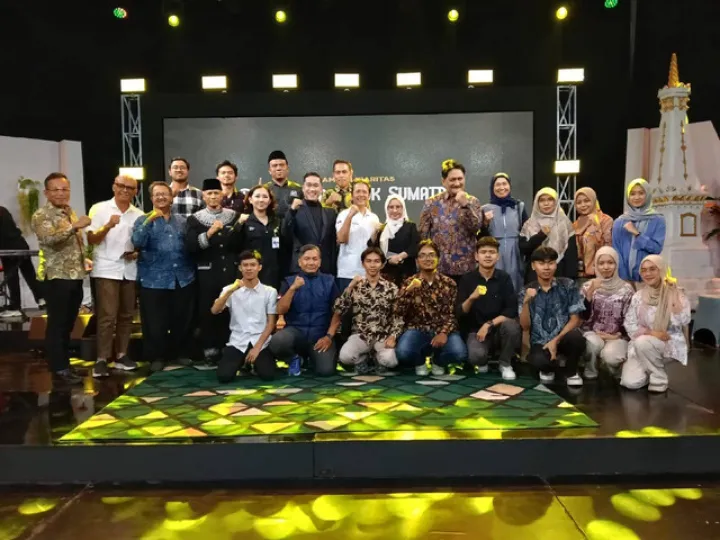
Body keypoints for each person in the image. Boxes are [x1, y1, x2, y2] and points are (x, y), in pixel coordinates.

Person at [31, 172, 92, 384]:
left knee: (68, 323)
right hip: (57, 277)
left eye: (65, 189)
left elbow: (75, 242)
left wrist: (85, 259)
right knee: (57, 324)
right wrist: (75, 226)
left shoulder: (68, 212)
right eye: (55, 189)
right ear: (46, 193)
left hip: (74, 275)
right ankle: (58, 368)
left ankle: (64, 364)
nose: (61, 193)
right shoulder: (42, 215)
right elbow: (49, 240)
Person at [132, 182, 196, 372]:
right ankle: (156, 356)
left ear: (171, 197)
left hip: (182, 277)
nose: (161, 197)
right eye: (157, 195)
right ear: (151, 198)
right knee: (154, 322)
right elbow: (137, 241)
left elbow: (191, 245)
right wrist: (149, 221)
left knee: (182, 319)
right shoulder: (142, 220)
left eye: (164, 194)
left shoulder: (183, 221)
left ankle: (180, 353)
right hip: (153, 279)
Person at [86, 174, 144, 377]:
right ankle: (102, 359)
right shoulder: (99, 209)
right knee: (107, 316)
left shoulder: (138, 214)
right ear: (114, 187)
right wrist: (108, 226)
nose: (125, 190)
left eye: (130, 188)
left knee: (127, 315)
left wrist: (136, 252)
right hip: (107, 269)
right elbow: (91, 239)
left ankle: (121, 355)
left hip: (129, 269)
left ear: (136, 192)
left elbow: (140, 243)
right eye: (121, 186)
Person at [185, 178, 238, 364]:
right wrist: (209, 233)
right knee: (208, 310)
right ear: (203, 196)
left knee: (230, 309)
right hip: (206, 273)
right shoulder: (194, 219)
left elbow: (239, 244)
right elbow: (191, 246)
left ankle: (229, 346)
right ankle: (210, 348)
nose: (213, 196)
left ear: (222, 194)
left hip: (229, 271)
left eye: (216, 193)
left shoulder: (234, 216)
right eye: (209, 193)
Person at [395, 240, 467, 376]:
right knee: (403, 352)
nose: (427, 259)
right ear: (417, 261)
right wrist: (408, 291)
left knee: (459, 353)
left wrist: (444, 333)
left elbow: (453, 313)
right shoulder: (408, 282)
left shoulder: (449, 283)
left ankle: (438, 361)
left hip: (443, 330)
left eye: (431, 255)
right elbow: (398, 311)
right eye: (422, 255)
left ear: (438, 258)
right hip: (418, 330)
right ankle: (419, 362)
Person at [621, 255, 691, 393]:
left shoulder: (676, 293)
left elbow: (683, 320)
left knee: (642, 342)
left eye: (652, 269)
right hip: (644, 343)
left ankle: (659, 378)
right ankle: (650, 367)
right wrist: (652, 333)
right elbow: (630, 324)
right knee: (630, 383)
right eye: (644, 270)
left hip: (668, 341)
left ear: (662, 270)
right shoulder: (638, 296)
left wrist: (674, 297)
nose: (647, 273)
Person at [519, 246, 586, 386]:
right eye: (541, 263)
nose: (546, 267)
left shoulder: (568, 285)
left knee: (576, 338)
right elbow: (525, 326)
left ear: (556, 264)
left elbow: (575, 319)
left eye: (550, 263)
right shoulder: (526, 290)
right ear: (533, 266)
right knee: (538, 361)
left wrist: (555, 340)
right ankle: (549, 367)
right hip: (540, 342)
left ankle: (571, 371)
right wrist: (525, 302)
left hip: (564, 337)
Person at [270, 245, 340, 376]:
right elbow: (280, 309)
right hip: (296, 332)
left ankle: (312, 359)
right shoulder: (289, 281)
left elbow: (338, 312)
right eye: (307, 259)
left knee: (326, 371)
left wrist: (329, 336)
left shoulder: (329, 281)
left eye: (315, 259)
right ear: (299, 262)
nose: (311, 263)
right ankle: (294, 359)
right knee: (277, 341)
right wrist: (293, 289)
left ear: (320, 262)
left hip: (320, 334)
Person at [457, 236, 521, 381]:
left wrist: (489, 324)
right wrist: (472, 298)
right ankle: (483, 360)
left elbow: (511, 310)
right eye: (483, 252)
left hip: (498, 329)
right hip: (476, 331)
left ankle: (505, 363)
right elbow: (460, 312)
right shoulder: (467, 279)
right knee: (476, 357)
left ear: (498, 256)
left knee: (512, 326)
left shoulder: (504, 278)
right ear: (476, 256)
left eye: (492, 252)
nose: (487, 255)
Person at [331, 247, 403, 373]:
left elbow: (398, 316)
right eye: (368, 261)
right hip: (361, 336)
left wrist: (393, 336)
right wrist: (350, 287)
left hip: (382, 336)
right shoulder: (356, 286)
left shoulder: (391, 288)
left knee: (391, 361)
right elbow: (338, 309)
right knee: (345, 357)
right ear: (363, 264)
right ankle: (362, 359)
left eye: (376, 261)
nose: (372, 265)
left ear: (382, 264)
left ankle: (376, 358)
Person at [213, 251, 278, 382]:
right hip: (238, 341)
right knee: (224, 377)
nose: (249, 268)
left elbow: (271, 323)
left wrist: (257, 348)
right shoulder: (229, 289)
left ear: (259, 267)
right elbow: (215, 310)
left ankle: (253, 363)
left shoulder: (270, 292)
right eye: (245, 265)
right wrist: (231, 290)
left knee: (268, 375)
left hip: (260, 341)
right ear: (240, 267)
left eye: (253, 265)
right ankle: (243, 363)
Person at [419, 159, 484, 283]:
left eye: (460, 179)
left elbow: (476, 227)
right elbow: (423, 235)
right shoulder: (432, 203)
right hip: (439, 270)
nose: (457, 183)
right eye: (452, 179)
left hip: (466, 269)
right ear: (443, 181)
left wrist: (465, 205)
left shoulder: (473, 202)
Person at [580, 246, 634, 380]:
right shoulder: (587, 286)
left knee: (611, 357)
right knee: (592, 345)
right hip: (592, 333)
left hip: (617, 336)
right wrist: (589, 294)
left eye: (610, 262)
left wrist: (617, 335)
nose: (605, 267)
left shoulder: (626, 289)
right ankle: (590, 368)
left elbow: (631, 318)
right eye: (601, 263)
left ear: (616, 264)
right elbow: (581, 317)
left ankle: (614, 370)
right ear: (596, 265)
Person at [282, 172, 337, 275]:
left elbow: (333, 245)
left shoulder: (330, 213)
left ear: (321, 189)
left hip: (325, 271)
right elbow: (285, 234)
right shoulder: (294, 211)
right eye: (309, 185)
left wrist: (332, 270)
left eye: (316, 185)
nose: (312, 189)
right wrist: (292, 211)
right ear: (303, 188)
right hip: (301, 270)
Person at [481, 172, 528, 293]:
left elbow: (526, 230)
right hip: (495, 249)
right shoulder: (485, 209)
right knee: (495, 281)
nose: (501, 187)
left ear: (509, 186)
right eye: (497, 184)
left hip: (515, 251)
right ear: (492, 188)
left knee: (515, 282)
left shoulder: (519, 206)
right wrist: (485, 223)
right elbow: (480, 236)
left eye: (504, 184)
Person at [613, 178, 666, 283]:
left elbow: (656, 248)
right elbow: (616, 252)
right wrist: (624, 279)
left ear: (648, 195)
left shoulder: (657, 219)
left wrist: (637, 234)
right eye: (632, 194)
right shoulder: (620, 222)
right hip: (624, 281)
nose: (636, 197)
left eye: (641, 193)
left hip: (649, 278)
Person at [520, 187, 578, 282]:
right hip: (535, 274)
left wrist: (570, 278)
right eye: (542, 200)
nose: (546, 203)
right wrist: (540, 235)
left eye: (550, 199)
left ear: (556, 202)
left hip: (560, 273)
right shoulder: (529, 224)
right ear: (536, 203)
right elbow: (524, 249)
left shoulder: (565, 223)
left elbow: (571, 254)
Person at [233, 184, 282, 289]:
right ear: (250, 199)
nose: (261, 200)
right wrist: (239, 224)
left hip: (273, 274)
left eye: (265, 197)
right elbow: (233, 245)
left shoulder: (277, 221)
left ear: (269, 201)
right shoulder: (244, 221)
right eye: (257, 196)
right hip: (250, 274)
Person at [335, 179, 381, 290]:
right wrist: (350, 216)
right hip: (348, 271)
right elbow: (341, 239)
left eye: (364, 192)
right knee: (346, 301)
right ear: (352, 195)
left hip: (368, 272)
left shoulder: (374, 217)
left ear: (369, 196)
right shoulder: (343, 214)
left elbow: (374, 246)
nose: (361, 195)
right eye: (358, 191)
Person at [0, 205, 44, 317]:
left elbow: (3, 233)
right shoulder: (3, 210)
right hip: (20, 244)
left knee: (12, 278)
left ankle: (15, 306)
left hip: (8, 248)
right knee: (29, 274)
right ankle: (42, 299)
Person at [368, 194, 419, 286]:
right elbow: (373, 249)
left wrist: (399, 257)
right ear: (386, 209)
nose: (394, 210)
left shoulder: (410, 226)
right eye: (391, 207)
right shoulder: (382, 228)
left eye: (398, 207)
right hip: (386, 273)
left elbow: (415, 246)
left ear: (403, 208)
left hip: (406, 273)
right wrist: (374, 232)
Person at [573, 187, 613, 279]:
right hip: (581, 274)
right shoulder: (576, 224)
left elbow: (608, 247)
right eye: (579, 202)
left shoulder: (606, 220)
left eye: (587, 201)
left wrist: (596, 226)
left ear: (594, 200)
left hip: (602, 272)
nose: (583, 205)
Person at [263, 150, 303, 221]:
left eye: (281, 165)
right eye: (274, 166)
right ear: (269, 170)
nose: (278, 168)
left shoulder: (299, 189)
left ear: (287, 168)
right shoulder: (263, 189)